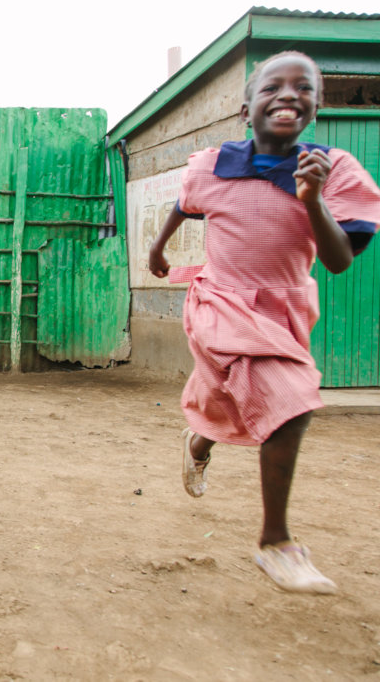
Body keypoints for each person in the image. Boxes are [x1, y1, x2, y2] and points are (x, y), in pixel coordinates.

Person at [148, 51, 380, 594]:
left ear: (316, 107)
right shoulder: (212, 164)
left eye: (305, 87)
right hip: (219, 299)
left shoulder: (333, 169)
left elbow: (341, 259)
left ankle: (198, 441)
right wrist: (160, 248)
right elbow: (185, 202)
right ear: (246, 104)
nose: (289, 94)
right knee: (291, 403)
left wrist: (313, 200)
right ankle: (276, 544)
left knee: (228, 395)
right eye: (273, 85)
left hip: (284, 307)